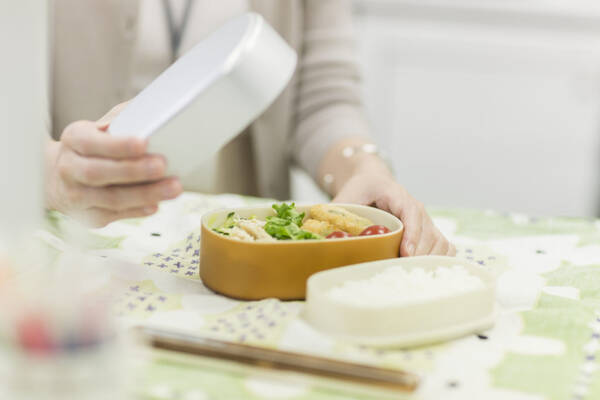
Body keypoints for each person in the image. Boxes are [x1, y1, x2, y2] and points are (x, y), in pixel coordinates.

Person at [44, 0, 455, 257]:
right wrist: (50, 172)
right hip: (81, 252)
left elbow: (321, 94)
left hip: (249, 251)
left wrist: (364, 168)